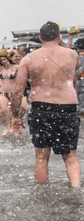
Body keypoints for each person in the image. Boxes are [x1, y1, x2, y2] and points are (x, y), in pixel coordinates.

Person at [11, 21, 81, 187]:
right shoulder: (72, 55)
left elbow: (18, 92)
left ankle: (42, 194)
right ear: (59, 36)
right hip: (67, 109)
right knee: (70, 157)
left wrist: (15, 116)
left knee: (41, 157)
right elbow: (76, 66)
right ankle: (76, 189)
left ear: (40, 37)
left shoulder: (28, 59)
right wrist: (62, 42)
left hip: (41, 109)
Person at [0, 50, 18, 136]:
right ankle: (6, 127)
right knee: (3, 111)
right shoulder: (0, 69)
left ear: (8, 59)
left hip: (13, 92)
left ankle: (14, 127)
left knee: (13, 112)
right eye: (1, 60)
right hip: (3, 92)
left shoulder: (16, 67)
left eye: (4, 59)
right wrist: (0, 83)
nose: (3, 62)